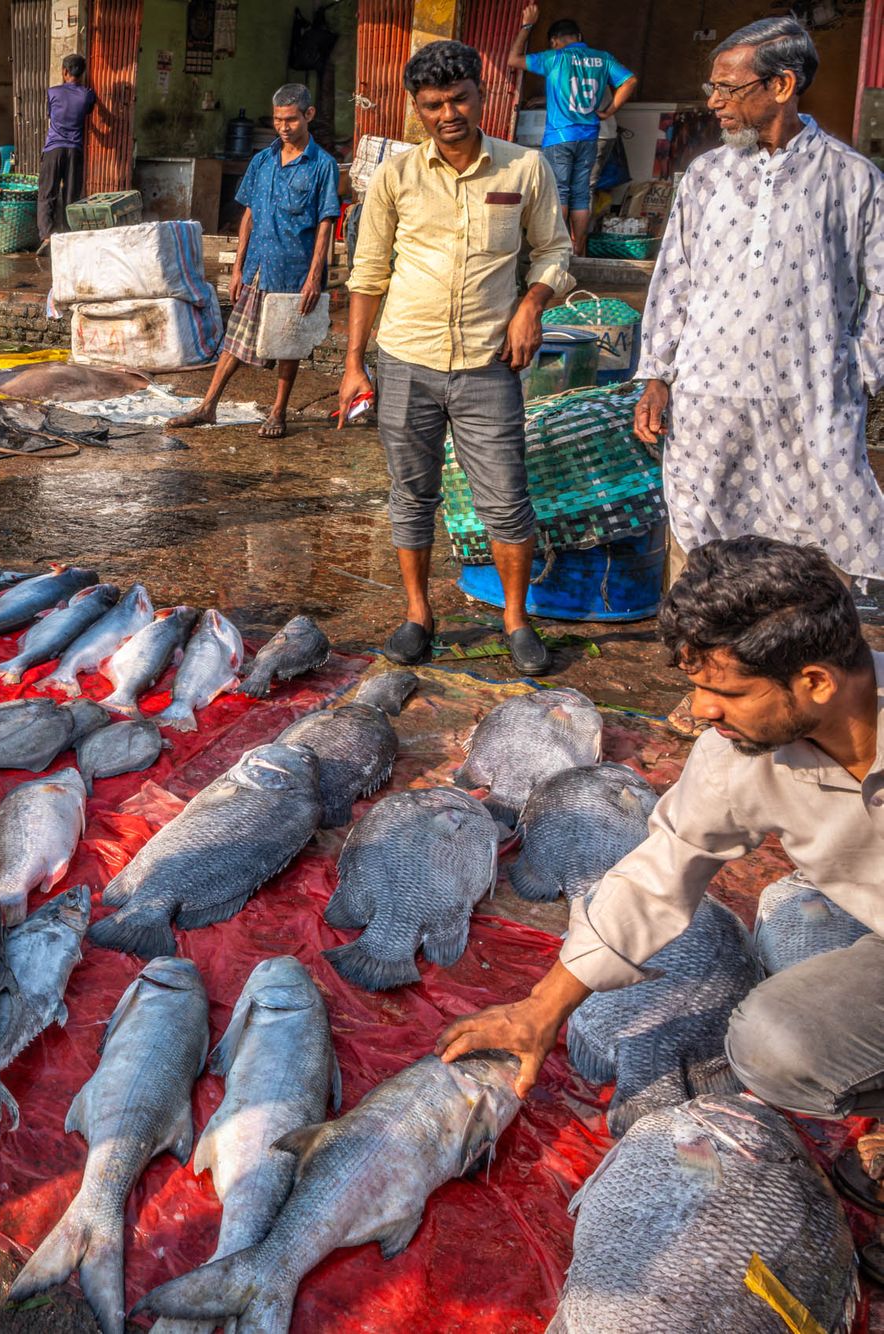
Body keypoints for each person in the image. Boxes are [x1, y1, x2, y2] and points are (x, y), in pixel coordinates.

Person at [436, 535, 884, 1280]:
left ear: (813, 682)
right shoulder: (737, 754)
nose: (701, 710)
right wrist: (540, 1010)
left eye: (728, 692)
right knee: (775, 1042)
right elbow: (657, 873)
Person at [340, 40, 572, 677]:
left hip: (487, 363)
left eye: (459, 99)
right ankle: (418, 616)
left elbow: (554, 251)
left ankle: (515, 620)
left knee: (505, 500)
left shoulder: (525, 169)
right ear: (417, 110)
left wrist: (532, 306)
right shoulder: (396, 176)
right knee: (411, 497)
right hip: (404, 359)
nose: (449, 114)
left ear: (481, 94)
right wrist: (355, 363)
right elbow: (368, 273)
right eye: (434, 104)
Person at [634, 16, 884, 591]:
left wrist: (861, 369)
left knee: (814, 552)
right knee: (704, 550)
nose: (715, 103)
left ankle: (803, 667)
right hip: (707, 402)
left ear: (781, 86)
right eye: (712, 89)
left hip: (808, 399)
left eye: (729, 88)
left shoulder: (854, 180)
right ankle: (711, 667)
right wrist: (656, 375)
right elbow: (674, 280)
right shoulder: (705, 176)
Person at [166, 84, 338, 441]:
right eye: (278, 120)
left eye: (291, 119)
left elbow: (326, 222)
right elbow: (248, 215)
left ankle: (278, 411)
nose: (284, 127)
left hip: (295, 270)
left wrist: (314, 276)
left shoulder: (323, 165)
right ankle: (208, 405)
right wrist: (238, 267)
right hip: (259, 265)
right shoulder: (262, 161)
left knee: (288, 344)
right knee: (235, 341)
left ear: (308, 115)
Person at [507, 7, 637, 254]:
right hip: (589, 135)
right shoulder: (603, 58)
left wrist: (526, 26)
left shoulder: (554, 58)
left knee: (559, 191)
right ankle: (578, 248)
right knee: (581, 192)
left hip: (560, 136)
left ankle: (558, 249)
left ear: (555, 41)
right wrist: (610, 110)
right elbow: (629, 80)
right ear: (578, 36)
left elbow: (513, 60)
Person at [36, 54, 95, 250]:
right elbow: (87, 111)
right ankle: (69, 235)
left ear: (64, 71)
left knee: (47, 193)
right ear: (82, 73)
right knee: (71, 195)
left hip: (53, 149)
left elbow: (50, 115)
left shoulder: (52, 92)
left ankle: (47, 236)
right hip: (74, 151)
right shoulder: (87, 94)